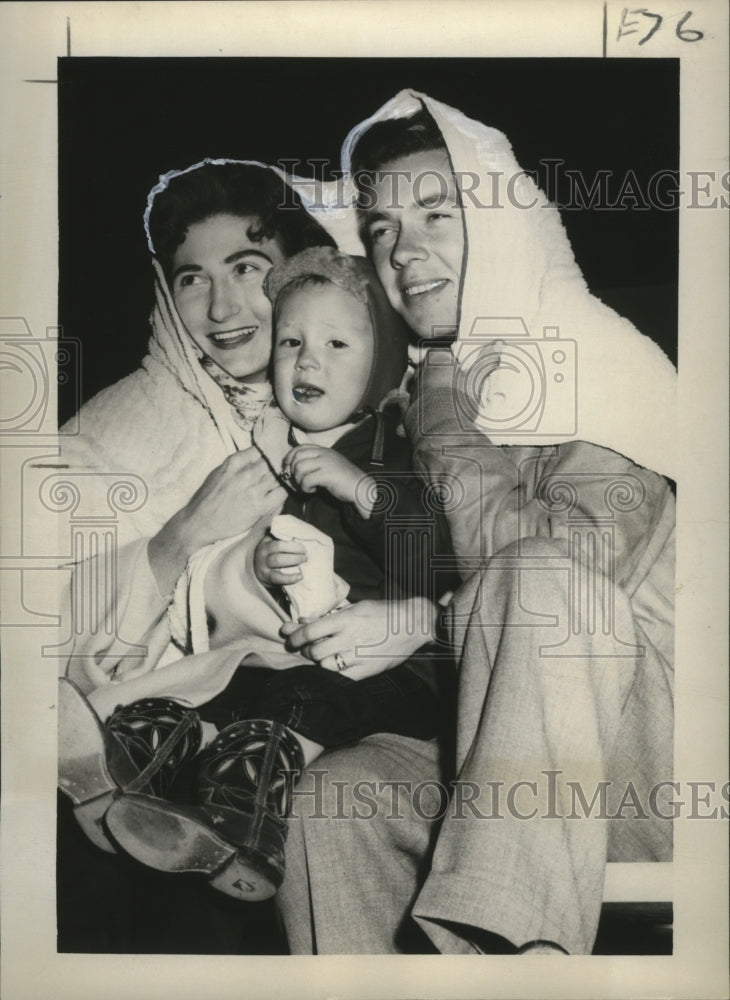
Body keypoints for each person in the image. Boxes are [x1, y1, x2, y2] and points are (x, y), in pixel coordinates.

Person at [264, 93, 676, 956]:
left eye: (437, 215)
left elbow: (552, 579)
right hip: (513, 779)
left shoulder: (597, 356)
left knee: (542, 580)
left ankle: (502, 967)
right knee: (343, 795)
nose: (402, 251)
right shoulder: (427, 387)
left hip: (648, 775)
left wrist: (444, 409)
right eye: (378, 229)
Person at [60, 247, 457, 903]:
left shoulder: (392, 449)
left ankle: (244, 827)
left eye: (336, 343)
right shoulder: (279, 448)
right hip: (291, 654)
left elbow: (434, 554)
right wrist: (263, 564)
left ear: (382, 361)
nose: (308, 360)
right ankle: (140, 762)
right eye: (292, 341)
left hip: (392, 673)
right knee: (225, 692)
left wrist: (363, 492)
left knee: (293, 704)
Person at [56, 159, 338, 951]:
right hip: (143, 751)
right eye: (191, 279)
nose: (222, 308)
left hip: (306, 737)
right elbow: (57, 642)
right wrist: (184, 530)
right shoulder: (111, 432)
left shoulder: (345, 386)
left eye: (247, 269)